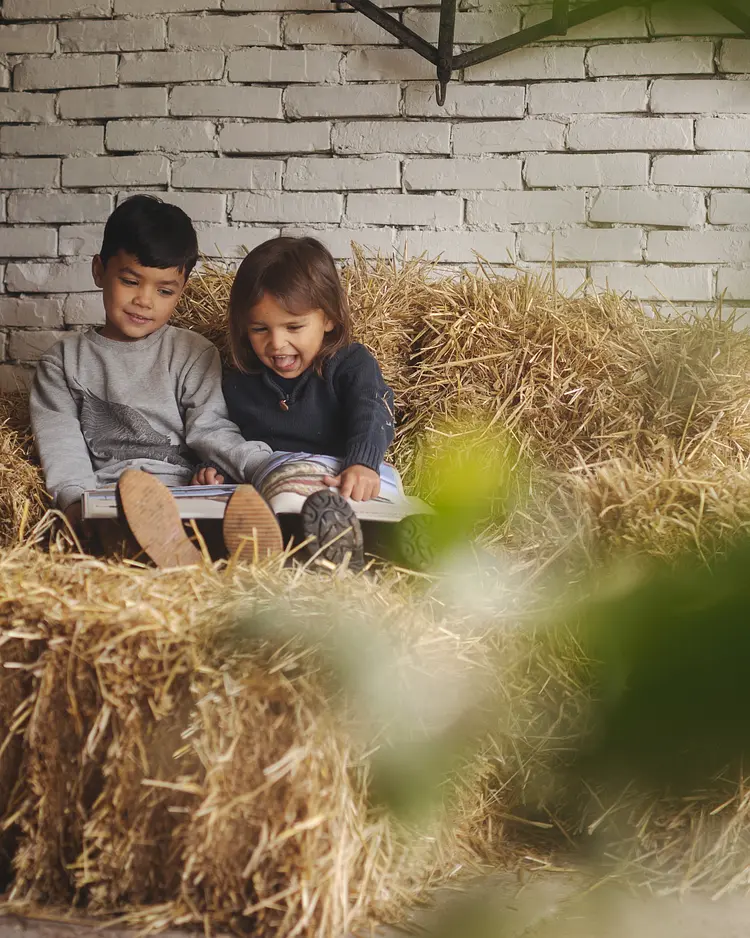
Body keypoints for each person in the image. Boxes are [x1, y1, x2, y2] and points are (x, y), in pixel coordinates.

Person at [29, 194, 282, 567]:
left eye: (164, 290)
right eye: (130, 281)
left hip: (182, 494)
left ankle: (236, 558)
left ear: (182, 289)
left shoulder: (192, 351)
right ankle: (163, 557)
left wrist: (262, 467)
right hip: (111, 498)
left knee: (225, 503)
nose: (144, 301)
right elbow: (62, 448)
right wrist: (74, 503)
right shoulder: (63, 362)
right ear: (99, 271)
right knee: (108, 533)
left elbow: (211, 429)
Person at [194, 235, 395, 568]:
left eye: (293, 326)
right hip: (275, 493)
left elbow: (373, 409)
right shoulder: (239, 381)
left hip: (340, 483)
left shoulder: (351, 364)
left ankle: (384, 549)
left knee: (373, 518)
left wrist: (363, 463)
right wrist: (214, 472)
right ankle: (299, 559)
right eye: (260, 329)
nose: (276, 343)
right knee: (238, 520)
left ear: (329, 318)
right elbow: (233, 443)